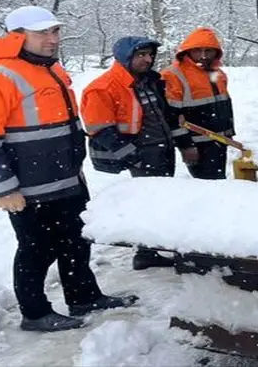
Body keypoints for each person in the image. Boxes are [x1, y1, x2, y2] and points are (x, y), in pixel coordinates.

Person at [0, 5, 137, 333]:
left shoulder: (47, 68)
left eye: (54, 31)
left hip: (65, 178)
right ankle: (35, 313)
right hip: (28, 187)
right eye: (42, 32)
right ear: (16, 36)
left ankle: (83, 296)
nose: (52, 39)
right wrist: (3, 188)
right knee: (36, 250)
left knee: (76, 240)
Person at [81, 36, 191, 270]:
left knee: (160, 201)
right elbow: (99, 128)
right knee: (149, 203)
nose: (147, 60)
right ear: (125, 56)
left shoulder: (149, 81)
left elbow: (162, 114)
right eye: (141, 55)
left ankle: (149, 250)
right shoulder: (104, 87)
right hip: (143, 153)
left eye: (150, 55)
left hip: (162, 148)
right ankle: (145, 252)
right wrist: (132, 155)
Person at [161, 27, 235, 179]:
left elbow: (225, 104)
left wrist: (229, 133)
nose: (203, 56)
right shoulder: (173, 75)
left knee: (218, 183)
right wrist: (186, 146)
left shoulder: (217, 73)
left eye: (208, 51)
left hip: (218, 140)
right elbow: (171, 116)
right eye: (197, 50)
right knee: (207, 186)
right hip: (196, 144)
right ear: (187, 51)